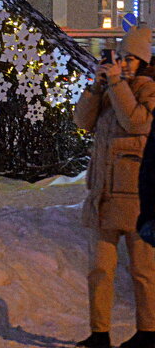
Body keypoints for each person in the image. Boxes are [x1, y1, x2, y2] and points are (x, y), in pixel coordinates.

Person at [75, 24, 155, 348]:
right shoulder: (110, 88)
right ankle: (99, 333)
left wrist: (119, 84)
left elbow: (136, 122)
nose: (122, 63)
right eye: (119, 58)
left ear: (142, 62)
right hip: (104, 197)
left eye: (129, 59)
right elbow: (82, 122)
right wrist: (97, 86)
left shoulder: (147, 90)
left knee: (143, 272)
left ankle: (149, 334)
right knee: (99, 270)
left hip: (137, 197)